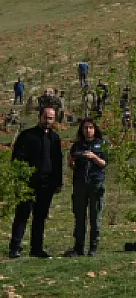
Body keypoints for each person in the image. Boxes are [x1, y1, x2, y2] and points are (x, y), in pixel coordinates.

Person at [9, 106, 63, 258]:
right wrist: (19, 180)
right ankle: (15, 248)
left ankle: (37, 248)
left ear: (54, 120)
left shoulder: (55, 138)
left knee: (40, 217)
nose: (48, 121)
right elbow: (17, 159)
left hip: (47, 184)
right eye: (46, 117)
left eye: (51, 118)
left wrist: (58, 182)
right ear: (39, 117)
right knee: (22, 215)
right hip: (28, 183)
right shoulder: (27, 136)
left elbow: (58, 162)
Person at [64, 118, 106, 258]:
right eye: (85, 128)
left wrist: (93, 157)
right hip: (80, 183)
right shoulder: (77, 146)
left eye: (90, 127)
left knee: (95, 217)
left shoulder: (101, 144)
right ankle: (78, 247)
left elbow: (104, 163)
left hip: (96, 183)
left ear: (95, 129)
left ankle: (93, 247)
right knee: (79, 216)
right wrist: (71, 162)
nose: (88, 130)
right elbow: (73, 165)